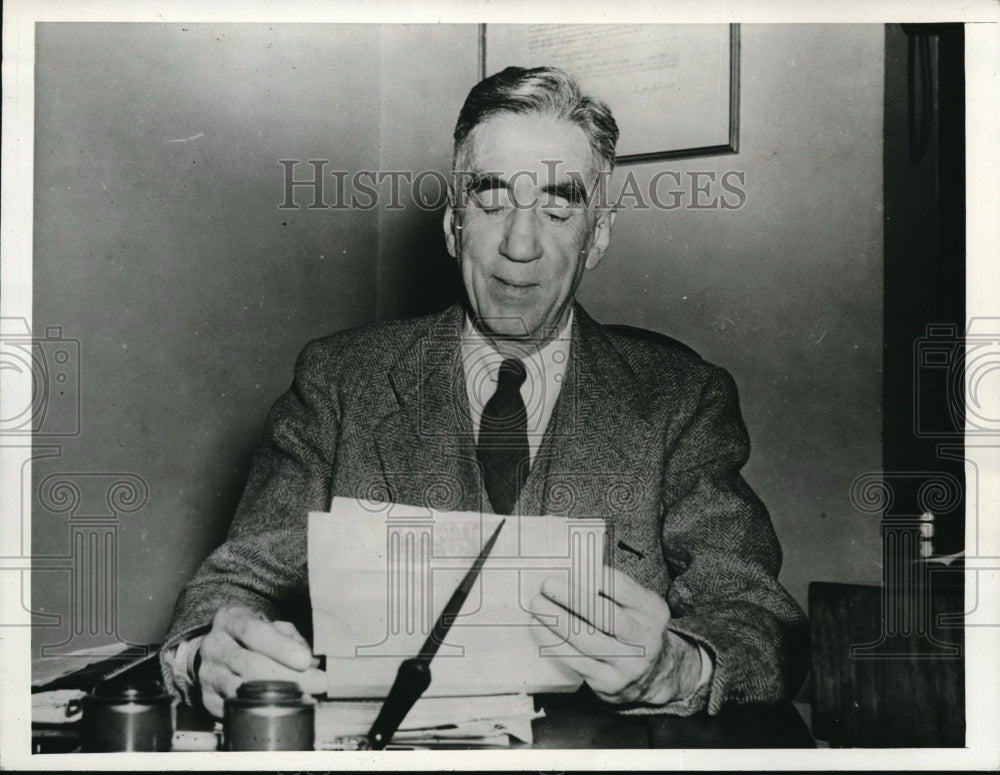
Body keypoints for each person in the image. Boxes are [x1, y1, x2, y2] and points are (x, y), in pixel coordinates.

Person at [162, 66, 808, 720]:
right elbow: (231, 589)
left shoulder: (681, 399)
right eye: (492, 200)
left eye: (558, 207)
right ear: (453, 225)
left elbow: (761, 619)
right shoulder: (339, 382)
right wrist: (206, 656)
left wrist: (678, 666)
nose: (520, 245)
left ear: (599, 234)